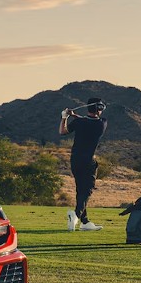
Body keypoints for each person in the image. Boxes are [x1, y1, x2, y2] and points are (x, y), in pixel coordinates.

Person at [59, 98, 107, 231]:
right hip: (88, 161)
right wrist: (75, 116)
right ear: (99, 109)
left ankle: (85, 222)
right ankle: (75, 215)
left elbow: (62, 131)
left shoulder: (79, 122)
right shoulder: (102, 123)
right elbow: (90, 122)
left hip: (75, 160)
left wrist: (65, 117)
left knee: (81, 190)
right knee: (88, 189)